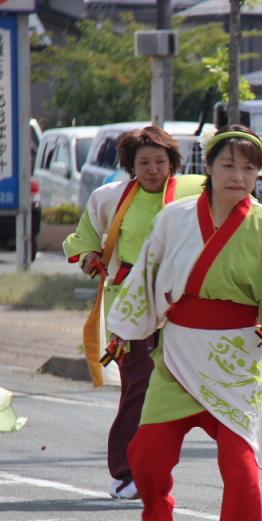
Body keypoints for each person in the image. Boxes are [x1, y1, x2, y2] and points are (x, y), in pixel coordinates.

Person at [106, 125, 262, 521]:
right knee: (146, 452)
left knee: (239, 466)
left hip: (239, 356)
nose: (238, 175)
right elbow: (145, 276)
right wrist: (124, 331)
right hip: (180, 350)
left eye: (249, 167)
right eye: (228, 165)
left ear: (259, 174)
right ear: (209, 167)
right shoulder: (175, 218)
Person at [62, 126, 205, 500]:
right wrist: (91, 257)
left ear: (173, 163)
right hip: (129, 302)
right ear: (130, 165)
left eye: (160, 161)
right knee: (138, 383)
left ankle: (153, 466)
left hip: (178, 302)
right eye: (144, 162)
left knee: (176, 387)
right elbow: (84, 239)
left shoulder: (194, 191)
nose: (153, 169)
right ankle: (125, 471)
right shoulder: (109, 197)